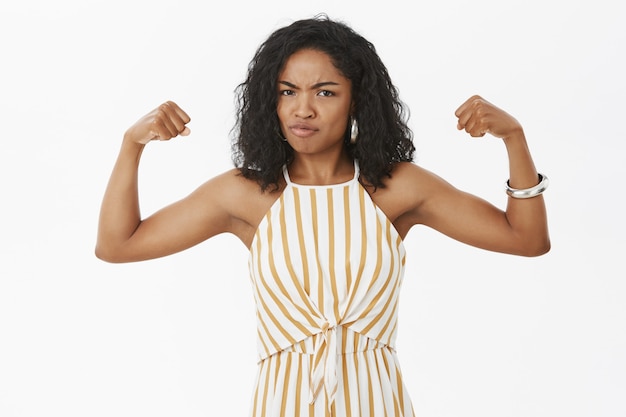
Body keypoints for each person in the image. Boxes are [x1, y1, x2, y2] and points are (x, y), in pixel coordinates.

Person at [96, 14, 550, 417]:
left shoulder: (396, 187)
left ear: (357, 101)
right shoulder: (246, 194)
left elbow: (526, 240)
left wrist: (514, 138)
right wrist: (131, 145)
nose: (303, 109)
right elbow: (118, 245)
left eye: (325, 92)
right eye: (287, 91)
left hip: (378, 402)